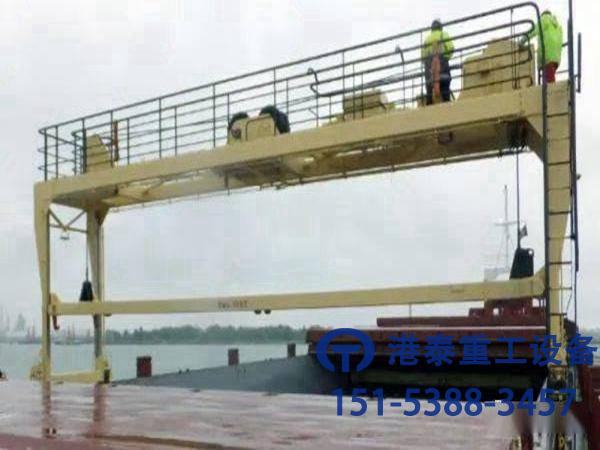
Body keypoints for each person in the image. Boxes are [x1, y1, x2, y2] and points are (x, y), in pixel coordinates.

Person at [521, 10, 563, 83]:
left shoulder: (544, 19)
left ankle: (550, 87)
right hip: (556, 56)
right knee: (549, 76)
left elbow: (534, 30)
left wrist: (522, 40)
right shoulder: (558, 26)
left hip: (547, 54)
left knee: (549, 82)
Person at [422, 19, 454, 105]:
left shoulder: (427, 39)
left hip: (429, 71)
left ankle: (429, 102)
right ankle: (447, 103)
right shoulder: (443, 34)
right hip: (443, 68)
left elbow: (423, 57)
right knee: (445, 87)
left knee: (429, 87)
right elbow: (451, 48)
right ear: (440, 27)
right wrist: (446, 57)